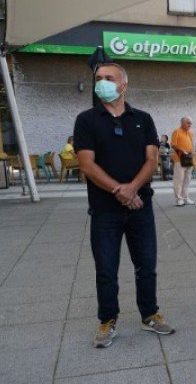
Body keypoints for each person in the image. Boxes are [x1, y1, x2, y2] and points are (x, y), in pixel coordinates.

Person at [73, 62, 175, 348]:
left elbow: (152, 160)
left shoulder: (142, 118)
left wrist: (131, 189)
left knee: (146, 265)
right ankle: (107, 320)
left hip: (141, 206)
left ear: (124, 85)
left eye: (108, 78)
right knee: (106, 268)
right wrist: (120, 191)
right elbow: (87, 165)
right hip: (105, 210)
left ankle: (149, 314)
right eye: (98, 78)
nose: (101, 82)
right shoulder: (86, 120)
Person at [171, 116, 195, 206]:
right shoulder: (176, 131)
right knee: (179, 180)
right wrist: (182, 151)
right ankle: (179, 199)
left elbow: (192, 144)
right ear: (182, 123)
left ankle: (185, 197)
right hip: (179, 159)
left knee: (187, 180)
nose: (190, 125)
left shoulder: (191, 132)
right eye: (188, 122)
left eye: (191, 123)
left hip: (189, 158)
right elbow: (173, 145)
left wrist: (193, 154)